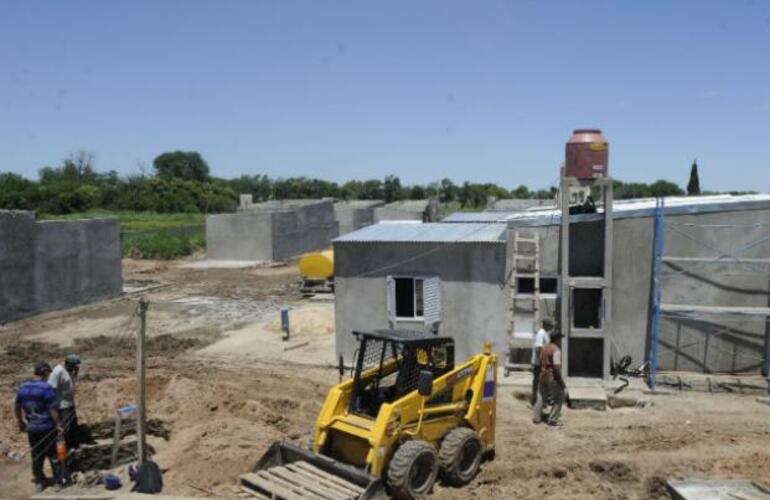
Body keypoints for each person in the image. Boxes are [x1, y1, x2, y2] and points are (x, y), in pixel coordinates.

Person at [15, 362, 63, 492]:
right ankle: (58, 481)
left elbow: (17, 407)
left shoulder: (23, 388)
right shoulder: (46, 388)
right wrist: (58, 425)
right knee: (53, 455)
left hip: (32, 429)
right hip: (47, 428)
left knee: (36, 455)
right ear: (45, 373)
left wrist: (21, 423)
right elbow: (53, 409)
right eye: (48, 373)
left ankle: (39, 482)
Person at [532, 331, 569, 426]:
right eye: (560, 339)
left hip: (542, 374)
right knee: (559, 396)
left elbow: (540, 361)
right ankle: (552, 419)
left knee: (541, 396)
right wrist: (562, 384)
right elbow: (556, 367)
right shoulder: (556, 350)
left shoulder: (544, 348)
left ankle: (536, 418)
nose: (561, 341)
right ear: (556, 339)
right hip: (551, 376)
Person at [49, 354, 81, 451]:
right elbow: (51, 389)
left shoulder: (70, 371)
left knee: (73, 427)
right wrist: (54, 407)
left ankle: (73, 447)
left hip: (70, 404)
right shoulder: (58, 372)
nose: (75, 367)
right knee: (64, 430)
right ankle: (63, 451)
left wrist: (76, 374)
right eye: (74, 365)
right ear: (68, 363)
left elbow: (71, 383)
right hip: (62, 407)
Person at [530, 318, 554, 406]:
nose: (552, 327)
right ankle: (536, 401)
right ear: (546, 325)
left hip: (541, 362)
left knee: (542, 381)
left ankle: (541, 401)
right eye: (551, 325)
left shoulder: (544, 333)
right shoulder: (541, 333)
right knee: (539, 381)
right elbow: (538, 348)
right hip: (539, 363)